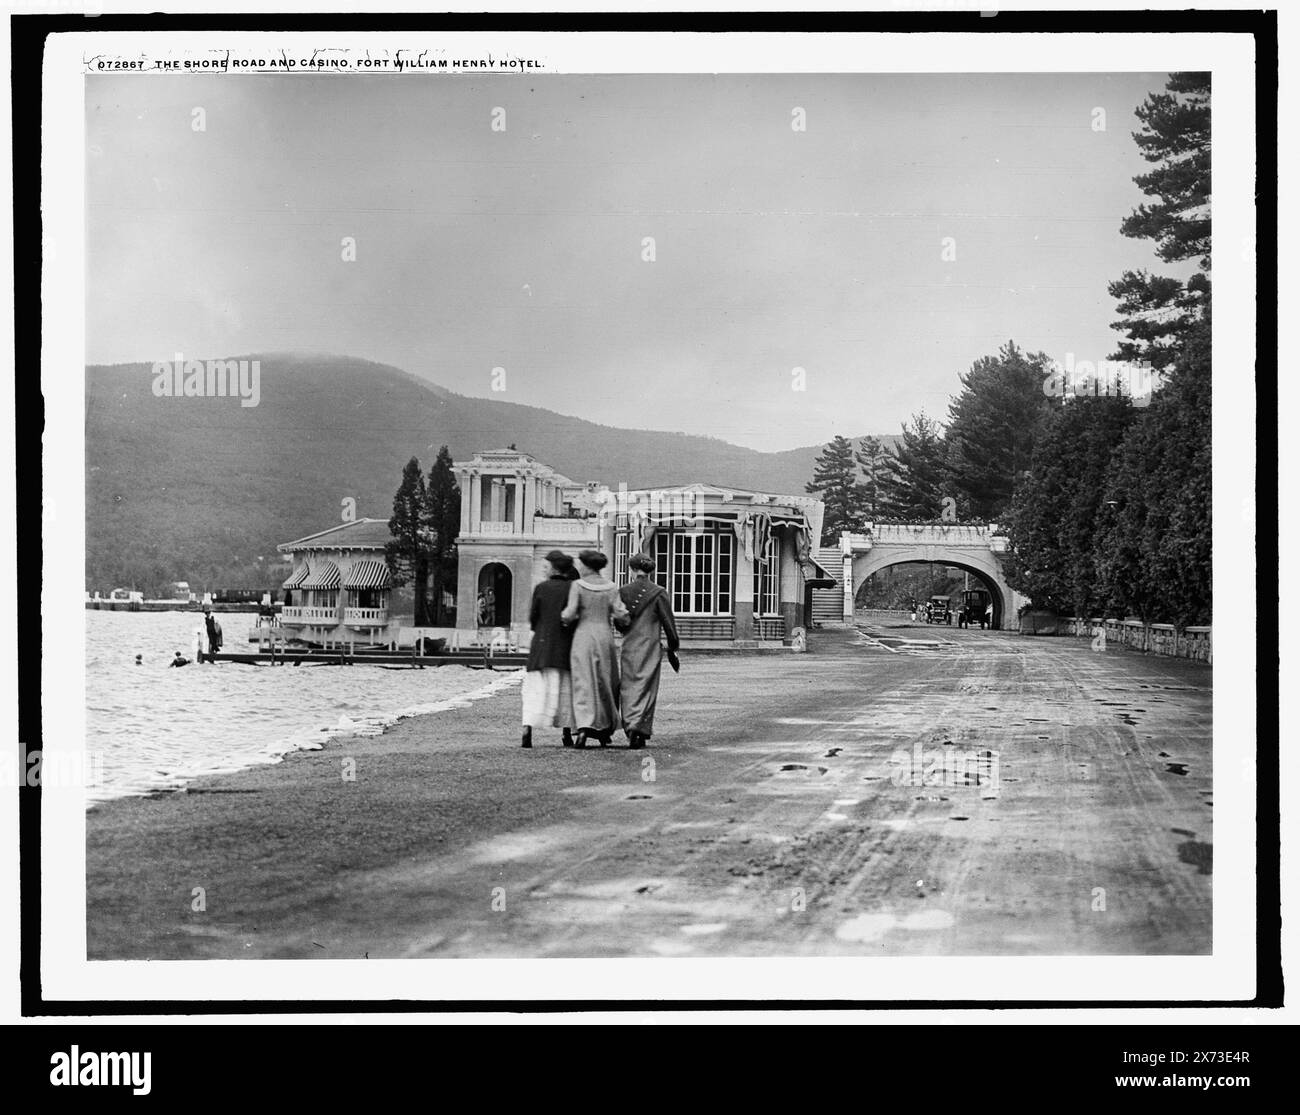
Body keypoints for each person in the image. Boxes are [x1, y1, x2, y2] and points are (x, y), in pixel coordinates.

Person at [561, 549, 629, 748]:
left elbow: (569, 614)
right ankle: (603, 727)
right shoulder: (611, 587)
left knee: (583, 682)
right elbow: (621, 614)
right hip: (604, 637)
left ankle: (584, 726)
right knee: (605, 682)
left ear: (586, 565)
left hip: (582, 637)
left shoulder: (578, 586)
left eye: (581, 564)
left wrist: (564, 619)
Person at [617, 553, 680, 750]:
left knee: (628, 686)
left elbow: (619, 622)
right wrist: (673, 646)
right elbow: (668, 623)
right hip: (650, 645)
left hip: (629, 644)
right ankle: (640, 728)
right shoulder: (659, 592)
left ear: (631, 569)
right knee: (647, 687)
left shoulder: (623, 591)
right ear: (651, 570)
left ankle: (629, 725)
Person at [521, 552, 578, 749]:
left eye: (546, 566)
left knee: (535, 689)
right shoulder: (573, 589)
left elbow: (533, 618)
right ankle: (566, 733)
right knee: (565, 690)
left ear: (554, 568)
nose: (544, 569)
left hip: (541, 644)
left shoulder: (541, 588)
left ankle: (527, 730)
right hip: (564, 645)